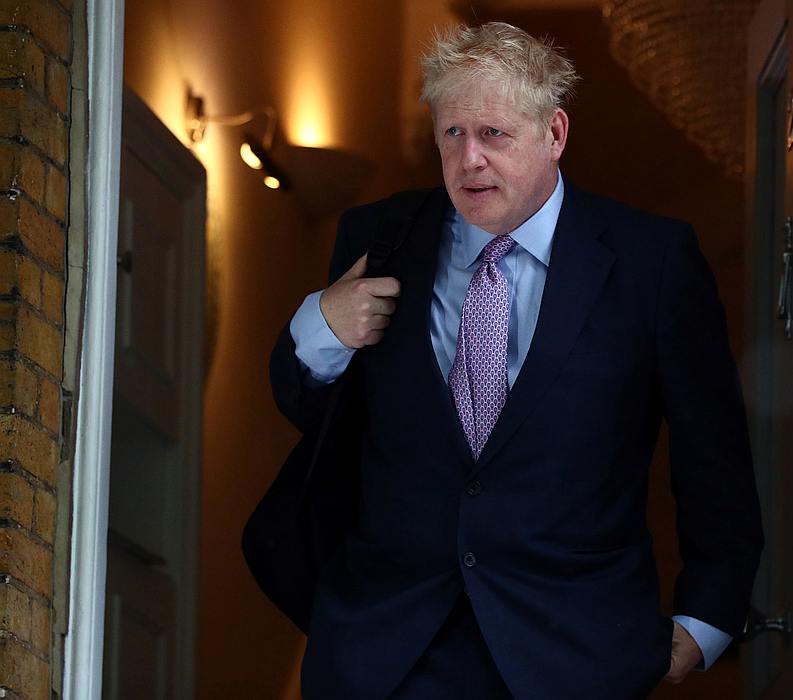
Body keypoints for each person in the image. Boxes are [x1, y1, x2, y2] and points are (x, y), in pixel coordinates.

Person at [271, 21, 763, 700]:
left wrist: (708, 617)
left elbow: (715, 456)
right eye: (452, 135)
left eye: (493, 135)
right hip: (391, 653)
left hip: (576, 651)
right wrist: (320, 324)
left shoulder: (652, 260)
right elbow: (311, 418)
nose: (469, 159)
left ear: (554, 134)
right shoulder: (379, 238)